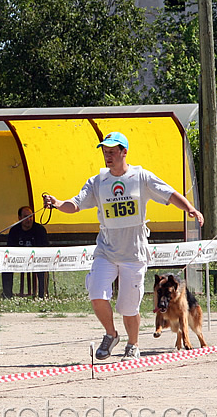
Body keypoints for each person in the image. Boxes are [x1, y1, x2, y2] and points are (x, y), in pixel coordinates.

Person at [43, 132, 204, 361]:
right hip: (106, 251)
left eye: (112, 151)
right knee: (97, 294)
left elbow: (169, 194)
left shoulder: (141, 177)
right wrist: (57, 203)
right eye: (104, 151)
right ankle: (111, 334)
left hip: (134, 254)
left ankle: (133, 343)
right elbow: (75, 204)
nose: (107, 156)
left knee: (129, 308)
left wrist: (190, 208)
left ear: (124, 152)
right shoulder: (97, 182)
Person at [2, 206, 49, 298]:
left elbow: (45, 249)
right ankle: (7, 296)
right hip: (18, 260)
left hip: (37, 260)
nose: (29, 219)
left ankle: (42, 296)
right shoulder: (14, 230)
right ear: (19, 218)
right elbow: (10, 249)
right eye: (26, 217)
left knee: (43, 268)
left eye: (31, 216)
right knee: (5, 269)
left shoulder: (40, 230)